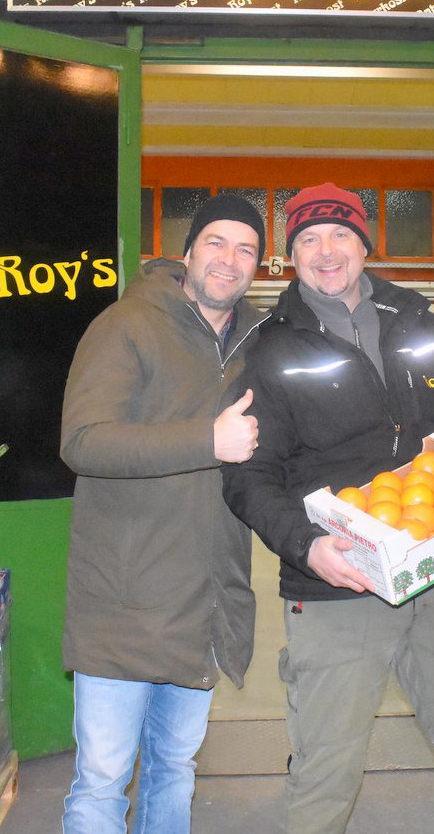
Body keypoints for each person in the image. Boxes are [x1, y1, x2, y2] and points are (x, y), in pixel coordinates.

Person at [222, 183, 434, 834]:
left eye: (339, 234)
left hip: (432, 567)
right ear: (290, 256)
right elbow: (248, 477)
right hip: (339, 581)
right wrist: (308, 547)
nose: (326, 251)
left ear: (364, 244)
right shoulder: (270, 347)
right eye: (308, 239)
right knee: (327, 768)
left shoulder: (415, 318)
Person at [59, 195, 267, 834]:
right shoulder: (127, 324)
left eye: (246, 249)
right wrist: (207, 440)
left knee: (174, 768)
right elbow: (84, 442)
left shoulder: (256, 343)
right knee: (102, 780)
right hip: (124, 600)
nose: (229, 259)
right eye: (216, 242)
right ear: (188, 251)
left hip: (204, 601)